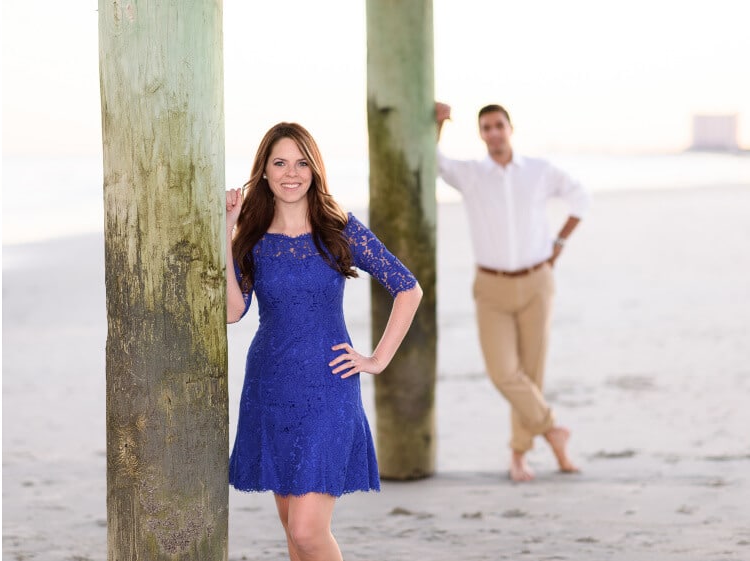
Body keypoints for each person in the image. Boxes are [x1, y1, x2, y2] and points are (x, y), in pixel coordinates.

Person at [225, 123, 423, 561]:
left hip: (329, 387)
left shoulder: (339, 227)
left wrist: (376, 359)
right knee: (294, 535)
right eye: (279, 162)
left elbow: (407, 288)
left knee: (308, 531)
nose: (290, 173)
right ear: (263, 171)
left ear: (315, 170)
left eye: (301, 162)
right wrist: (226, 231)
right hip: (269, 387)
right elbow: (231, 311)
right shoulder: (252, 237)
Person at [433, 102, 586, 482]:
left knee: (531, 373)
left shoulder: (539, 170)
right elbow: (435, 162)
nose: (493, 132)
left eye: (499, 125)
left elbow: (581, 197)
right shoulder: (470, 174)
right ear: (481, 134)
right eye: (486, 127)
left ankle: (519, 456)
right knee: (503, 372)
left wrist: (560, 243)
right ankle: (553, 430)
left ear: (510, 128)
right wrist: (437, 124)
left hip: (537, 282)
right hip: (491, 287)